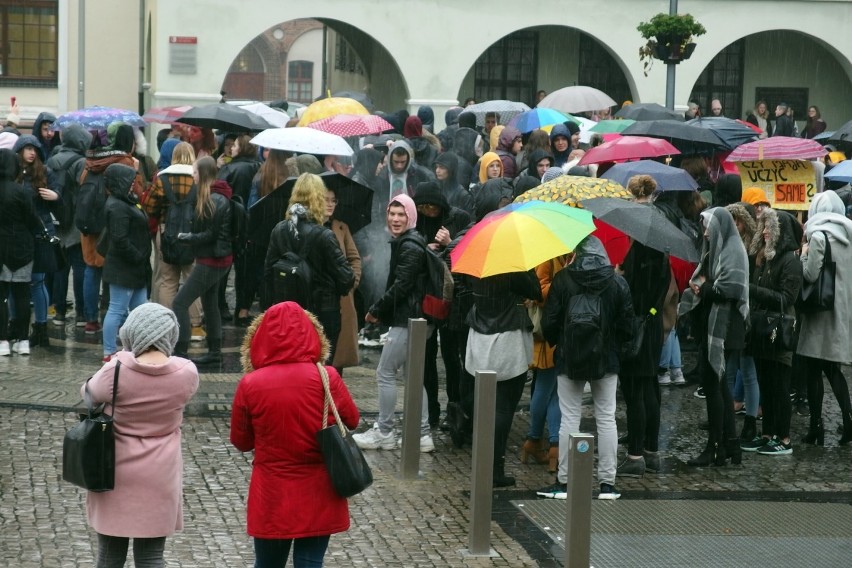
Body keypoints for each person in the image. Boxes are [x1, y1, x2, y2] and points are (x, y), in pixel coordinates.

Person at [230, 301, 358, 568]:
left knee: (267, 563)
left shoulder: (251, 384)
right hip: (319, 488)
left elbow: (241, 442)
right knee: (310, 561)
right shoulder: (327, 376)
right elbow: (353, 420)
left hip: (273, 491)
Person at [82, 302, 199, 568]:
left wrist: (118, 358)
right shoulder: (186, 372)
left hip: (115, 471)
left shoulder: (117, 370)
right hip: (161, 474)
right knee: (151, 557)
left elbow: (88, 394)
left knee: (110, 555)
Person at [538, 236, 633, 500]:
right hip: (607, 360)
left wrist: (559, 343)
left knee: (569, 417)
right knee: (606, 417)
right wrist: (615, 347)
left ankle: (565, 481)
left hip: (570, 358)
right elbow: (628, 326)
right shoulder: (617, 282)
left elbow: (549, 323)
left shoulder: (563, 279)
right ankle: (607, 484)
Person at [353, 194, 435, 453]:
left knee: (385, 373)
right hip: (415, 318)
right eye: (392, 213)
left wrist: (377, 309)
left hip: (408, 320)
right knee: (413, 377)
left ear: (410, 217)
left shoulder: (409, 245)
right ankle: (421, 434)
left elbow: (402, 285)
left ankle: (385, 431)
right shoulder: (409, 242)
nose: (396, 219)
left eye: (401, 214)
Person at [679, 207, 749, 466]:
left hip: (726, 328)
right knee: (717, 386)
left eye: (708, 226)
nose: (705, 231)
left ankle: (716, 447)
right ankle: (730, 446)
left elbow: (730, 288)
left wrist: (703, 288)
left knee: (715, 385)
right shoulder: (716, 249)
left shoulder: (733, 249)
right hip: (714, 327)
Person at [263, 173, 354, 362]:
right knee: (319, 370)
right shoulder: (325, 236)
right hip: (323, 315)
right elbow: (346, 279)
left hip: (288, 313)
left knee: (291, 366)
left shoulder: (279, 230)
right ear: (318, 199)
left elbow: (268, 274)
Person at [742, 208, 803, 455]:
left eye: (769, 227)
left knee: (779, 385)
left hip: (781, 331)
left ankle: (784, 437)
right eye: (763, 227)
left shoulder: (790, 261)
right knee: (766, 383)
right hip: (762, 330)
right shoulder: (765, 257)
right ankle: (767, 433)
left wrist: (753, 291)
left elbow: (786, 298)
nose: (765, 231)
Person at [412, 182, 470, 428]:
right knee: (425, 358)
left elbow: (468, 252)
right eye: (422, 207)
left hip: (451, 298)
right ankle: (431, 410)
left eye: (431, 206)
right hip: (426, 298)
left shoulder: (458, 218)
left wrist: (449, 243)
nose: (427, 211)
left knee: (450, 356)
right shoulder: (417, 224)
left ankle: (454, 407)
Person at [798, 191, 852, 446]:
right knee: (833, 369)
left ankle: (816, 427)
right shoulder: (849, 236)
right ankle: (849, 422)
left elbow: (809, 275)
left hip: (819, 313)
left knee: (812, 369)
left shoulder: (817, 236)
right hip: (841, 311)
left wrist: (803, 253)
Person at [169, 157, 234, 367]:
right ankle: (214, 352)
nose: (192, 176)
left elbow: (210, 234)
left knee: (180, 302)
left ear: (204, 174)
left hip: (212, 260)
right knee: (210, 303)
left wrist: (187, 238)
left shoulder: (214, 199)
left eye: (195, 172)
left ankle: (181, 351)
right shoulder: (214, 196)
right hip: (216, 258)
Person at [616, 240, 671, 478]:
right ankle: (651, 452)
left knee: (635, 391)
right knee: (650, 387)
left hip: (636, 328)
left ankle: (635, 455)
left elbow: (629, 295)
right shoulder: (663, 260)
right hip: (653, 327)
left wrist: (618, 276)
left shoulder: (636, 258)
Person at [143, 141, 205, 339]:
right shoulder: (198, 177)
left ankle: (166, 325)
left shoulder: (162, 178)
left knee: (167, 280)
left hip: (166, 232)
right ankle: (195, 326)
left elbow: (150, 207)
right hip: (193, 234)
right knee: (192, 279)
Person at [101, 164, 152, 362]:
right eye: (130, 179)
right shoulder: (117, 206)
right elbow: (120, 239)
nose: (133, 183)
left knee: (140, 310)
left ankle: (136, 348)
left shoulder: (126, 201)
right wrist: (138, 256)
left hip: (134, 266)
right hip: (124, 267)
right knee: (117, 309)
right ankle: (109, 351)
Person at [14, 134, 61, 349]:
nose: (32, 152)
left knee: (38, 280)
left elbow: (60, 199)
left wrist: (56, 196)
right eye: (27, 148)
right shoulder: (12, 172)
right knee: (15, 282)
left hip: (41, 232)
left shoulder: (45, 172)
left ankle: (41, 328)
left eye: (35, 148)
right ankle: (15, 325)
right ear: (20, 150)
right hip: (18, 234)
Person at [521, 255, 566, 474]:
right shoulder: (547, 258)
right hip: (547, 332)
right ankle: (545, 442)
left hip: (559, 329)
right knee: (548, 388)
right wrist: (565, 282)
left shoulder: (566, 257)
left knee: (553, 390)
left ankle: (539, 442)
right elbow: (538, 292)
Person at [236, 149, 291, 325]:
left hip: (259, 231)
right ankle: (270, 309)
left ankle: (243, 311)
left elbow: (251, 207)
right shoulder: (288, 177)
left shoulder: (260, 176)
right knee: (274, 272)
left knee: (252, 272)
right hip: (280, 231)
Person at [46, 123, 92, 327]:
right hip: (75, 222)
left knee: (59, 269)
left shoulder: (53, 159)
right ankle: (81, 313)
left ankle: (59, 312)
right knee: (80, 268)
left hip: (57, 220)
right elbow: (85, 192)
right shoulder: (81, 162)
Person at [0, 148, 42, 356]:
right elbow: (33, 220)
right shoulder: (21, 192)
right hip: (23, 248)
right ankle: (23, 340)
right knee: (22, 295)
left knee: (2, 296)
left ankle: (2, 341)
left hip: (1, 250)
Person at [324, 184, 362, 373]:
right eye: (326, 200)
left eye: (333, 200)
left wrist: (352, 282)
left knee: (337, 355)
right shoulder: (311, 228)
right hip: (321, 297)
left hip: (341, 296)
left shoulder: (341, 226)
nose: (330, 204)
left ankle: (334, 398)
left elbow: (354, 258)